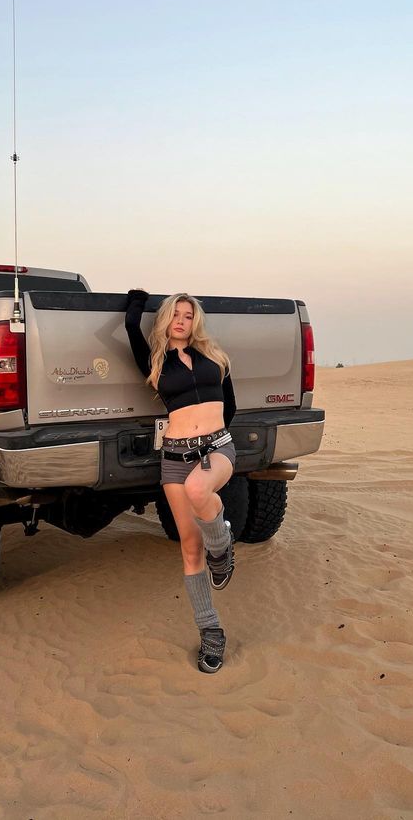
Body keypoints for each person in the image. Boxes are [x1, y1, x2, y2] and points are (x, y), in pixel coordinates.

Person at [125, 288, 237, 673]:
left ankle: (221, 548)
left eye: (188, 316)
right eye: (176, 314)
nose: (181, 321)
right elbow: (130, 326)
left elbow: (230, 406)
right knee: (190, 548)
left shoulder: (215, 358)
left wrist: (211, 434)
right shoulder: (156, 360)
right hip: (174, 457)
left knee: (198, 489)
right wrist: (137, 300)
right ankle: (211, 631)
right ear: (166, 319)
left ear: (195, 322)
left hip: (216, 449)